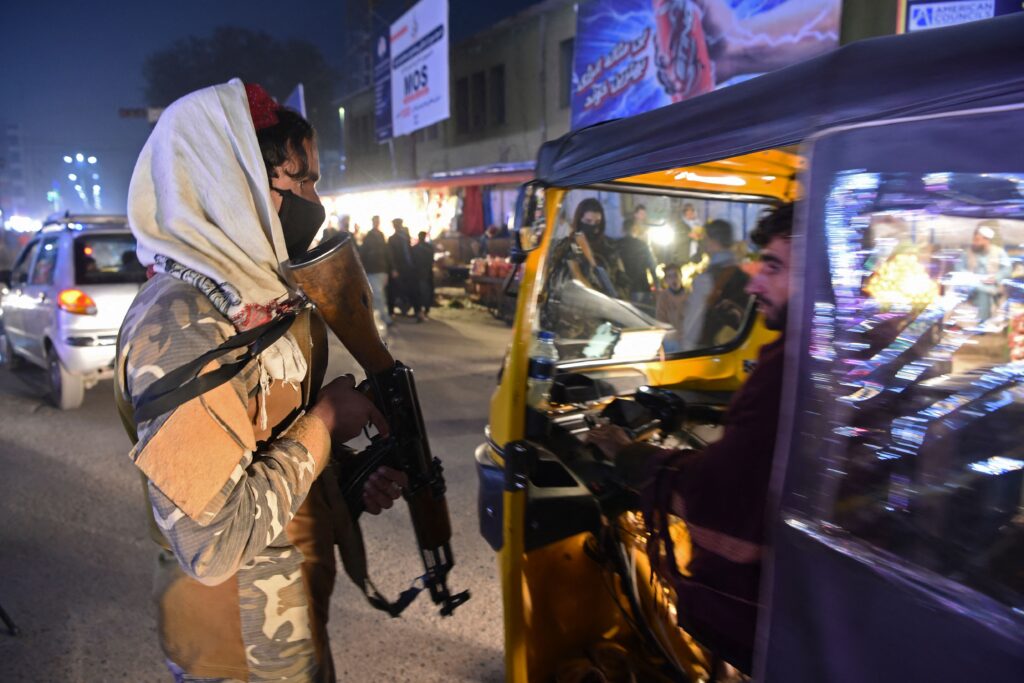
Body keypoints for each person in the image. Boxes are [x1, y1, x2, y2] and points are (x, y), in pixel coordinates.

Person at [117, 80, 406, 683]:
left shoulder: (270, 299)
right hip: (236, 649)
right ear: (232, 184)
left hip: (293, 617)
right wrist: (326, 424)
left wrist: (354, 477)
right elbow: (213, 545)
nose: (314, 199)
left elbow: (272, 449)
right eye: (299, 183)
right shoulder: (179, 324)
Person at [587, 203, 794, 673]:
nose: (756, 282)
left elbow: (720, 490)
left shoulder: (789, 368)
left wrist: (634, 457)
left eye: (775, 267)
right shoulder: (833, 351)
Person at [679, 218, 749, 350]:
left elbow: (692, 327)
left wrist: (685, 351)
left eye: (705, 238)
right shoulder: (743, 276)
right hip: (734, 350)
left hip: (708, 352)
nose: (704, 243)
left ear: (712, 242)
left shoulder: (706, 279)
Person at [963, 220, 1011, 323]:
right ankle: (982, 321)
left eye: (977, 240)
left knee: (984, 291)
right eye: (974, 239)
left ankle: (982, 321)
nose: (974, 242)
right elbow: (959, 268)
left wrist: (996, 277)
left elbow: (1008, 268)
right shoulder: (967, 253)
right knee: (982, 289)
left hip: (992, 285)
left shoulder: (999, 252)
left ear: (986, 240)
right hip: (971, 285)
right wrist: (969, 277)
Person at [359, 215, 393, 328]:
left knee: (377, 295)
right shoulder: (370, 236)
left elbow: (386, 252)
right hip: (373, 270)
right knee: (378, 295)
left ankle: (373, 319)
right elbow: (363, 253)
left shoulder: (380, 235)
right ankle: (384, 318)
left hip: (379, 270)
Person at [618, 216, 659, 306]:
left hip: (623, 290)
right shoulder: (643, 245)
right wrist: (657, 287)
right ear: (635, 229)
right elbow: (652, 267)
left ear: (623, 229)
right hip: (642, 288)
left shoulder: (617, 245)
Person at [655, 263, 687, 353]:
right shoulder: (663, 297)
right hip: (672, 340)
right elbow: (660, 320)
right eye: (669, 276)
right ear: (666, 280)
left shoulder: (690, 295)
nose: (673, 279)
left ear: (681, 276)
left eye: (675, 275)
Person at [388, 218, 415, 317]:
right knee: (395, 289)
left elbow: (408, 252)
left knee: (404, 288)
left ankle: (404, 308)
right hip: (399, 268)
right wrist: (394, 268)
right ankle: (392, 311)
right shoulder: (393, 239)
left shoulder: (406, 237)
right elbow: (391, 256)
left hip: (406, 268)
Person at [412, 230, 435, 321]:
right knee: (425, 292)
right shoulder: (429, 248)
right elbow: (432, 261)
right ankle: (424, 310)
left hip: (418, 273)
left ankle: (420, 310)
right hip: (425, 273)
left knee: (420, 292)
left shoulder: (414, 248)